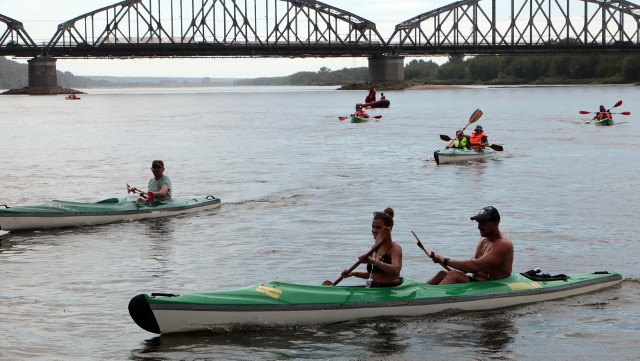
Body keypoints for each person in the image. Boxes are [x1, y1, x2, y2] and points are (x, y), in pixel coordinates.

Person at [426, 206, 513, 285]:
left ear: (496, 223)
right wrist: (440, 261)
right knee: (442, 274)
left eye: (483, 223)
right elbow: (468, 268)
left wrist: (445, 261)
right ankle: (420, 293)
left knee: (453, 275)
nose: (479, 227)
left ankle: (430, 301)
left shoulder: (504, 244)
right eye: (478, 222)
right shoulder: (483, 239)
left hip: (491, 285)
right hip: (476, 283)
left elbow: (476, 266)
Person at [341, 208, 403, 287]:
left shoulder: (394, 248)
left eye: (378, 227)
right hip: (374, 288)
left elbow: (396, 271)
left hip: (389, 289)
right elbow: (373, 275)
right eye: (373, 227)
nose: (374, 230)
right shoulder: (374, 248)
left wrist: (374, 262)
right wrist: (354, 273)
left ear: (389, 229)